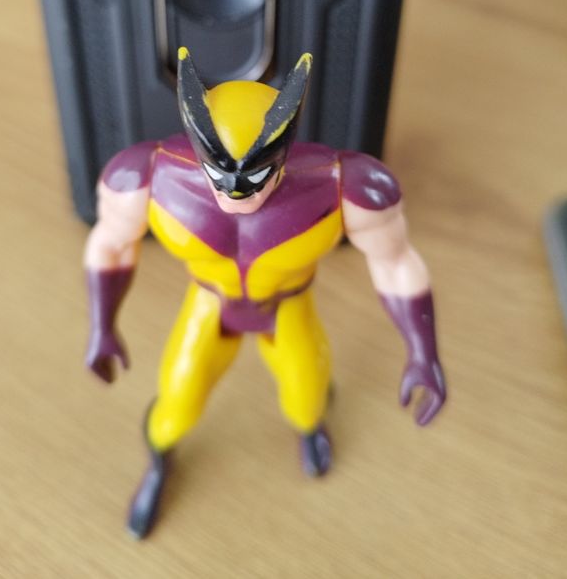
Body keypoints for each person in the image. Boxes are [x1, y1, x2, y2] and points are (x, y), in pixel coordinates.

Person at [84, 49, 446, 538]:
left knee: (307, 398)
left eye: (255, 176)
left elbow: (396, 262)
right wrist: (102, 325)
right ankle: (158, 461)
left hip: (286, 304)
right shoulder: (146, 178)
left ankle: (311, 429)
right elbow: (109, 245)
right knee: (177, 402)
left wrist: (423, 352)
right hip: (211, 304)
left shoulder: (344, 186)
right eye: (220, 175)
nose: (237, 193)